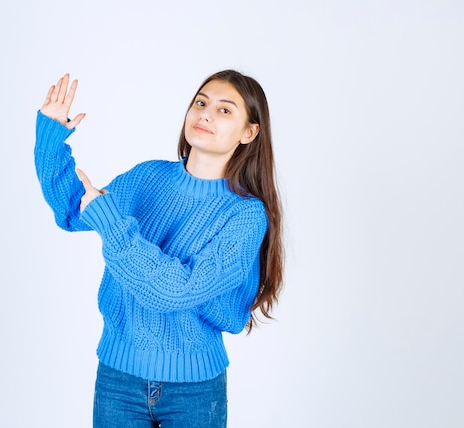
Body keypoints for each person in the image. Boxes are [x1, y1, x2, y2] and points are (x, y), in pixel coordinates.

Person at [34, 69, 284, 427]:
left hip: (194, 392)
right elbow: (74, 208)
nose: (206, 114)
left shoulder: (245, 216)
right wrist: (50, 138)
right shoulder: (147, 177)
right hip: (118, 377)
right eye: (201, 102)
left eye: (225, 110)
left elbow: (175, 291)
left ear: (250, 132)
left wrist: (111, 223)